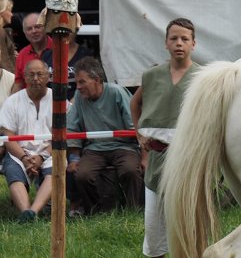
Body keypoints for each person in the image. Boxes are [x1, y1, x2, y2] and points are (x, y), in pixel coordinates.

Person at [130, 17, 200, 258]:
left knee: (187, 216)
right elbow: (135, 103)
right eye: (174, 38)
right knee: (154, 220)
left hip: (188, 157)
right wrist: (140, 134)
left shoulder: (202, 77)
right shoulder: (152, 75)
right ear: (166, 43)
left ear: (194, 43)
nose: (179, 43)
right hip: (158, 156)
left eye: (184, 39)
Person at [66, 57, 143, 214]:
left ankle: (134, 210)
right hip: (94, 149)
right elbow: (71, 127)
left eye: (82, 82)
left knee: (130, 170)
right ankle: (95, 211)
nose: (78, 87)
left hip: (124, 146)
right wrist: (74, 158)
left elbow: (133, 123)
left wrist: (143, 153)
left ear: (96, 80)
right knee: (82, 174)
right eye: (77, 83)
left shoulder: (116, 92)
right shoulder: (79, 98)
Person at [0, 59, 53, 222]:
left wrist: (42, 156)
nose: (36, 78)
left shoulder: (58, 101)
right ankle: (26, 212)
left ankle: (33, 212)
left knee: (56, 169)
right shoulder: (12, 101)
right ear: (24, 78)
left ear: (48, 77)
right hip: (19, 152)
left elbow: (62, 136)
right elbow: (8, 137)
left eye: (40, 74)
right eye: (31, 75)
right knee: (12, 168)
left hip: (50, 151)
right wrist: (24, 158)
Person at [42, 30, 92, 101]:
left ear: (76, 30)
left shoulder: (85, 55)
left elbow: (88, 84)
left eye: (69, 30)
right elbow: (42, 83)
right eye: (62, 30)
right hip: (50, 104)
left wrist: (72, 105)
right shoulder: (46, 55)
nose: (65, 33)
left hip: (77, 104)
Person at [12, 12, 53, 93]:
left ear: (46, 27)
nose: (34, 31)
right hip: (30, 103)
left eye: (37, 27)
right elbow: (18, 85)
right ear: (24, 32)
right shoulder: (22, 55)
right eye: (29, 29)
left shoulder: (59, 49)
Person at [0, 0, 17, 73]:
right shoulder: (1, 32)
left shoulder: (4, 32)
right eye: (10, 11)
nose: (12, 14)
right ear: (2, 12)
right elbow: (5, 61)